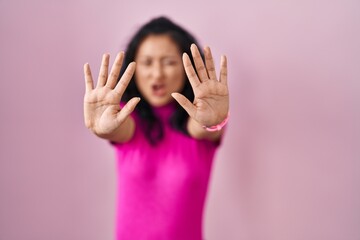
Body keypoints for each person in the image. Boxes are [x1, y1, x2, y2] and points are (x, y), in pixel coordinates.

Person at [83, 16, 229, 240]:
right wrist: (104, 129)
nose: (157, 74)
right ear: (133, 68)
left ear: (186, 67)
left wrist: (212, 120)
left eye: (169, 62)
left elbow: (203, 127)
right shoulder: (125, 116)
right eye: (147, 62)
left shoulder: (200, 121)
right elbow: (119, 129)